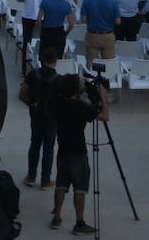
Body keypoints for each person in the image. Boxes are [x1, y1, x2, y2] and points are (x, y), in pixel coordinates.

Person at [49, 74, 105, 235]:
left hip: (63, 151)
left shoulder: (58, 103)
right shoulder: (80, 107)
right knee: (79, 188)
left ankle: (57, 217)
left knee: (61, 184)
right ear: (76, 90)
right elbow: (104, 116)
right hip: (78, 153)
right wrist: (103, 96)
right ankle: (79, 223)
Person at [23, 45, 59, 190]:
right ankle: (45, 180)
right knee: (49, 149)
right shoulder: (58, 79)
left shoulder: (33, 74)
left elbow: (22, 92)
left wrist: (30, 104)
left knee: (34, 145)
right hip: (51, 118)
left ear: (42, 59)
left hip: (36, 114)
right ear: (55, 61)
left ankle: (31, 177)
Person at [78, 0, 120, 67]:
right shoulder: (113, 1)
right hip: (108, 35)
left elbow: (83, 20)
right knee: (109, 65)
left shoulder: (87, 0)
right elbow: (118, 21)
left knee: (91, 64)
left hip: (93, 35)